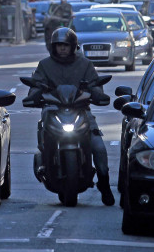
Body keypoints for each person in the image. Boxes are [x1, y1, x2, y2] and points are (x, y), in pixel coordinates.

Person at [23, 27, 115, 206]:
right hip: (52, 110)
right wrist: (33, 95)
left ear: (73, 46)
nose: (62, 48)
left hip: (81, 111)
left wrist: (98, 94)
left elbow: (95, 84)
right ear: (53, 47)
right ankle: (46, 162)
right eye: (58, 45)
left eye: (65, 45)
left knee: (99, 148)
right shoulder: (44, 65)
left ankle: (104, 184)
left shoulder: (85, 64)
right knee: (44, 135)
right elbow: (36, 84)